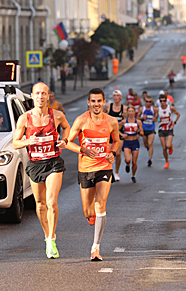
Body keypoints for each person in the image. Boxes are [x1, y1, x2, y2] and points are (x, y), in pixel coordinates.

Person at [12, 82, 71, 259]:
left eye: (44, 93)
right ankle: (47, 236)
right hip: (35, 164)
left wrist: (65, 141)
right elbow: (15, 142)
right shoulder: (25, 118)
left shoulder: (57, 115)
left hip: (53, 162)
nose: (40, 96)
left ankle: (52, 238)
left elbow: (67, 128)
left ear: (48, 96)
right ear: (32, 96)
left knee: (52, 202)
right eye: (37, 93)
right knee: (40, 204)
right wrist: (28, 142)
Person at [66, 88, 120, 261]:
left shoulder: (111, 121)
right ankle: (93, 217)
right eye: (93, 101)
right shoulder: (81, 120)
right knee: (88, 211)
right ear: (88, 103)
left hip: (104, 167)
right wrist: (82, 149)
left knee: (100, 204)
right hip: (86, 168)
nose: (96, 104)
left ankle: (95, 247)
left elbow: (117, 141)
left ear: (104, 102)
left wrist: (113, 152)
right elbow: (67, 143)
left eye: (99, 101)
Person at [103, 89, 127, 182]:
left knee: (117, 153)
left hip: (120, 132)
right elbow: (103, 116)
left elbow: (126, 121)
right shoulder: (108, 107)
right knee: (109, 153)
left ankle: (116, 172)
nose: (116, 97)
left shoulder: (124, 108)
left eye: (118, 96)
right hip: (109, 133)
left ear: (120, 97)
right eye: (115, 95)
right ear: (113, 97)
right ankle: (110, 171)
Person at [119, 105, 144, 183]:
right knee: (128, 159)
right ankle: (127, 164)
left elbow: (142, 133)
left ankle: (133, 175)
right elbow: (117, 130)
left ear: (134, 112)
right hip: (127, 142)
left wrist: (138, 131)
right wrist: (122, 135)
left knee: (134, 162)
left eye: (132, 111)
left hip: (135, 142)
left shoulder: (138, 122)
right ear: (127, 112)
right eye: (129, 111)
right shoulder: (124, 121)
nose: (131, 113)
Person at [158, 94, 180, 169]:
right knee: (164, 148)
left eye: (164, 101)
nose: (163, 102)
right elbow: (154, 117)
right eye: (161, 101)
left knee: (167, 146)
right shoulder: (158, 109)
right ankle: (167, 161)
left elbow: (178, 114)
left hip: (169, 129)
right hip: (161, 130)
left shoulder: (170, 108)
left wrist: (174, 122)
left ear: (166, 101)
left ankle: (170, 146)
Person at [138, 96, 158, 166]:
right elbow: (137, 117)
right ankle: (148, 149)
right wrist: (142, 118)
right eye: (147, 101)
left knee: (150, 143)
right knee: (146, 144)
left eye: (150, 102)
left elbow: (156, 116)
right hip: (144, 129)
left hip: (151, 129)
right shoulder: (142, 109)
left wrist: (155, 118)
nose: (148, 103)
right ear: (145, 102)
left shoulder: (154, 109)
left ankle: (150, 158)